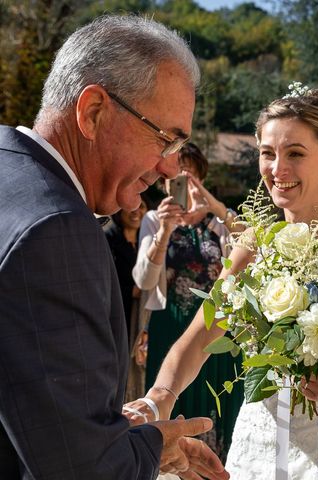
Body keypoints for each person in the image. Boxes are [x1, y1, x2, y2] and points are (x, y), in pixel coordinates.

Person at [126, 86, 318, 479]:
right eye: (267, 153)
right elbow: (199, 337)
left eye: (295, 153)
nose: (277, 169)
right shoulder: (252, 243)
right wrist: (157, 400)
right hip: (257, 447)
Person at [0, 15, 228, 479]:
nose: (169, 171)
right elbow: (84, 470)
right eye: (165, 140)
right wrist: (150, 448)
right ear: (93, 111)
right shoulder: (57, 230)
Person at [131, 142, 244, 459]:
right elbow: (143, 281)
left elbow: (252, 246)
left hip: (217, 329)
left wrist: (213, 208)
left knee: (219, 412)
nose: (180, 182)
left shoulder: (219, 222)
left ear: (201, 181)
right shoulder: (154, 219)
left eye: (189, 176)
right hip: (170, 329)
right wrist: (164, 231)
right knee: (173, 412)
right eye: (174, 177)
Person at [104, 196, 149, 402]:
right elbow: (104, 279)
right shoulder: (108, 239)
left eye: (142, 207)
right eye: (131, 206)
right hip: (117, 315)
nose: (136, 211)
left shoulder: (146, 240)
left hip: (141, 316)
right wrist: (131, 291)